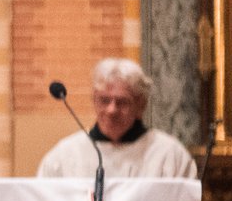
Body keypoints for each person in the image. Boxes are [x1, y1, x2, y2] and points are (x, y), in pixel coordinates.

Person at [36, 57, 198, 180]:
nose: (112, 110)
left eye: (122, 102)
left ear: (140, 105)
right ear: (94, 100)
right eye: (104, 100)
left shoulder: (169, 155)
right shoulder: (63, 156)